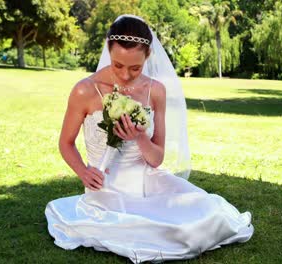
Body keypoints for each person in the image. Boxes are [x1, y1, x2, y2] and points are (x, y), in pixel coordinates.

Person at [45, 15, 254, 263]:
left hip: (148, 178)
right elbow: (65, 143)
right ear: (108, 50)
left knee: (204, 213)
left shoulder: (156, 91)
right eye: (117, 65)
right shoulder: (85, 90)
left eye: (135, 68)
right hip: (105, 186)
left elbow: (156, 159)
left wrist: (140, 137)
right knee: (150, 229)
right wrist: (83, 172)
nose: (125, 75)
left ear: (148, 56)